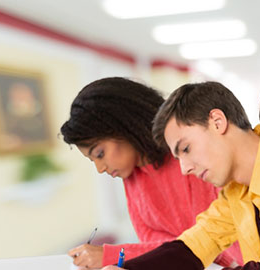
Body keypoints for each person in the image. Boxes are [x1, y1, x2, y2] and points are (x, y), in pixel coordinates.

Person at [101, 81, 260, 270]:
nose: (184, 169)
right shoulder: (236, 190)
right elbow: (196, 243)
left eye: (185, 149)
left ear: (217, 122)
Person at [60, 77, 242, 269]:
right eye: (93, 160)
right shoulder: (133, 178)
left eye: (100, 153)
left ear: (124, 126)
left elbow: (210, 246)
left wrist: (111, 255)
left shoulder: (192, 161)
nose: (100, 168)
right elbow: (157, 247)